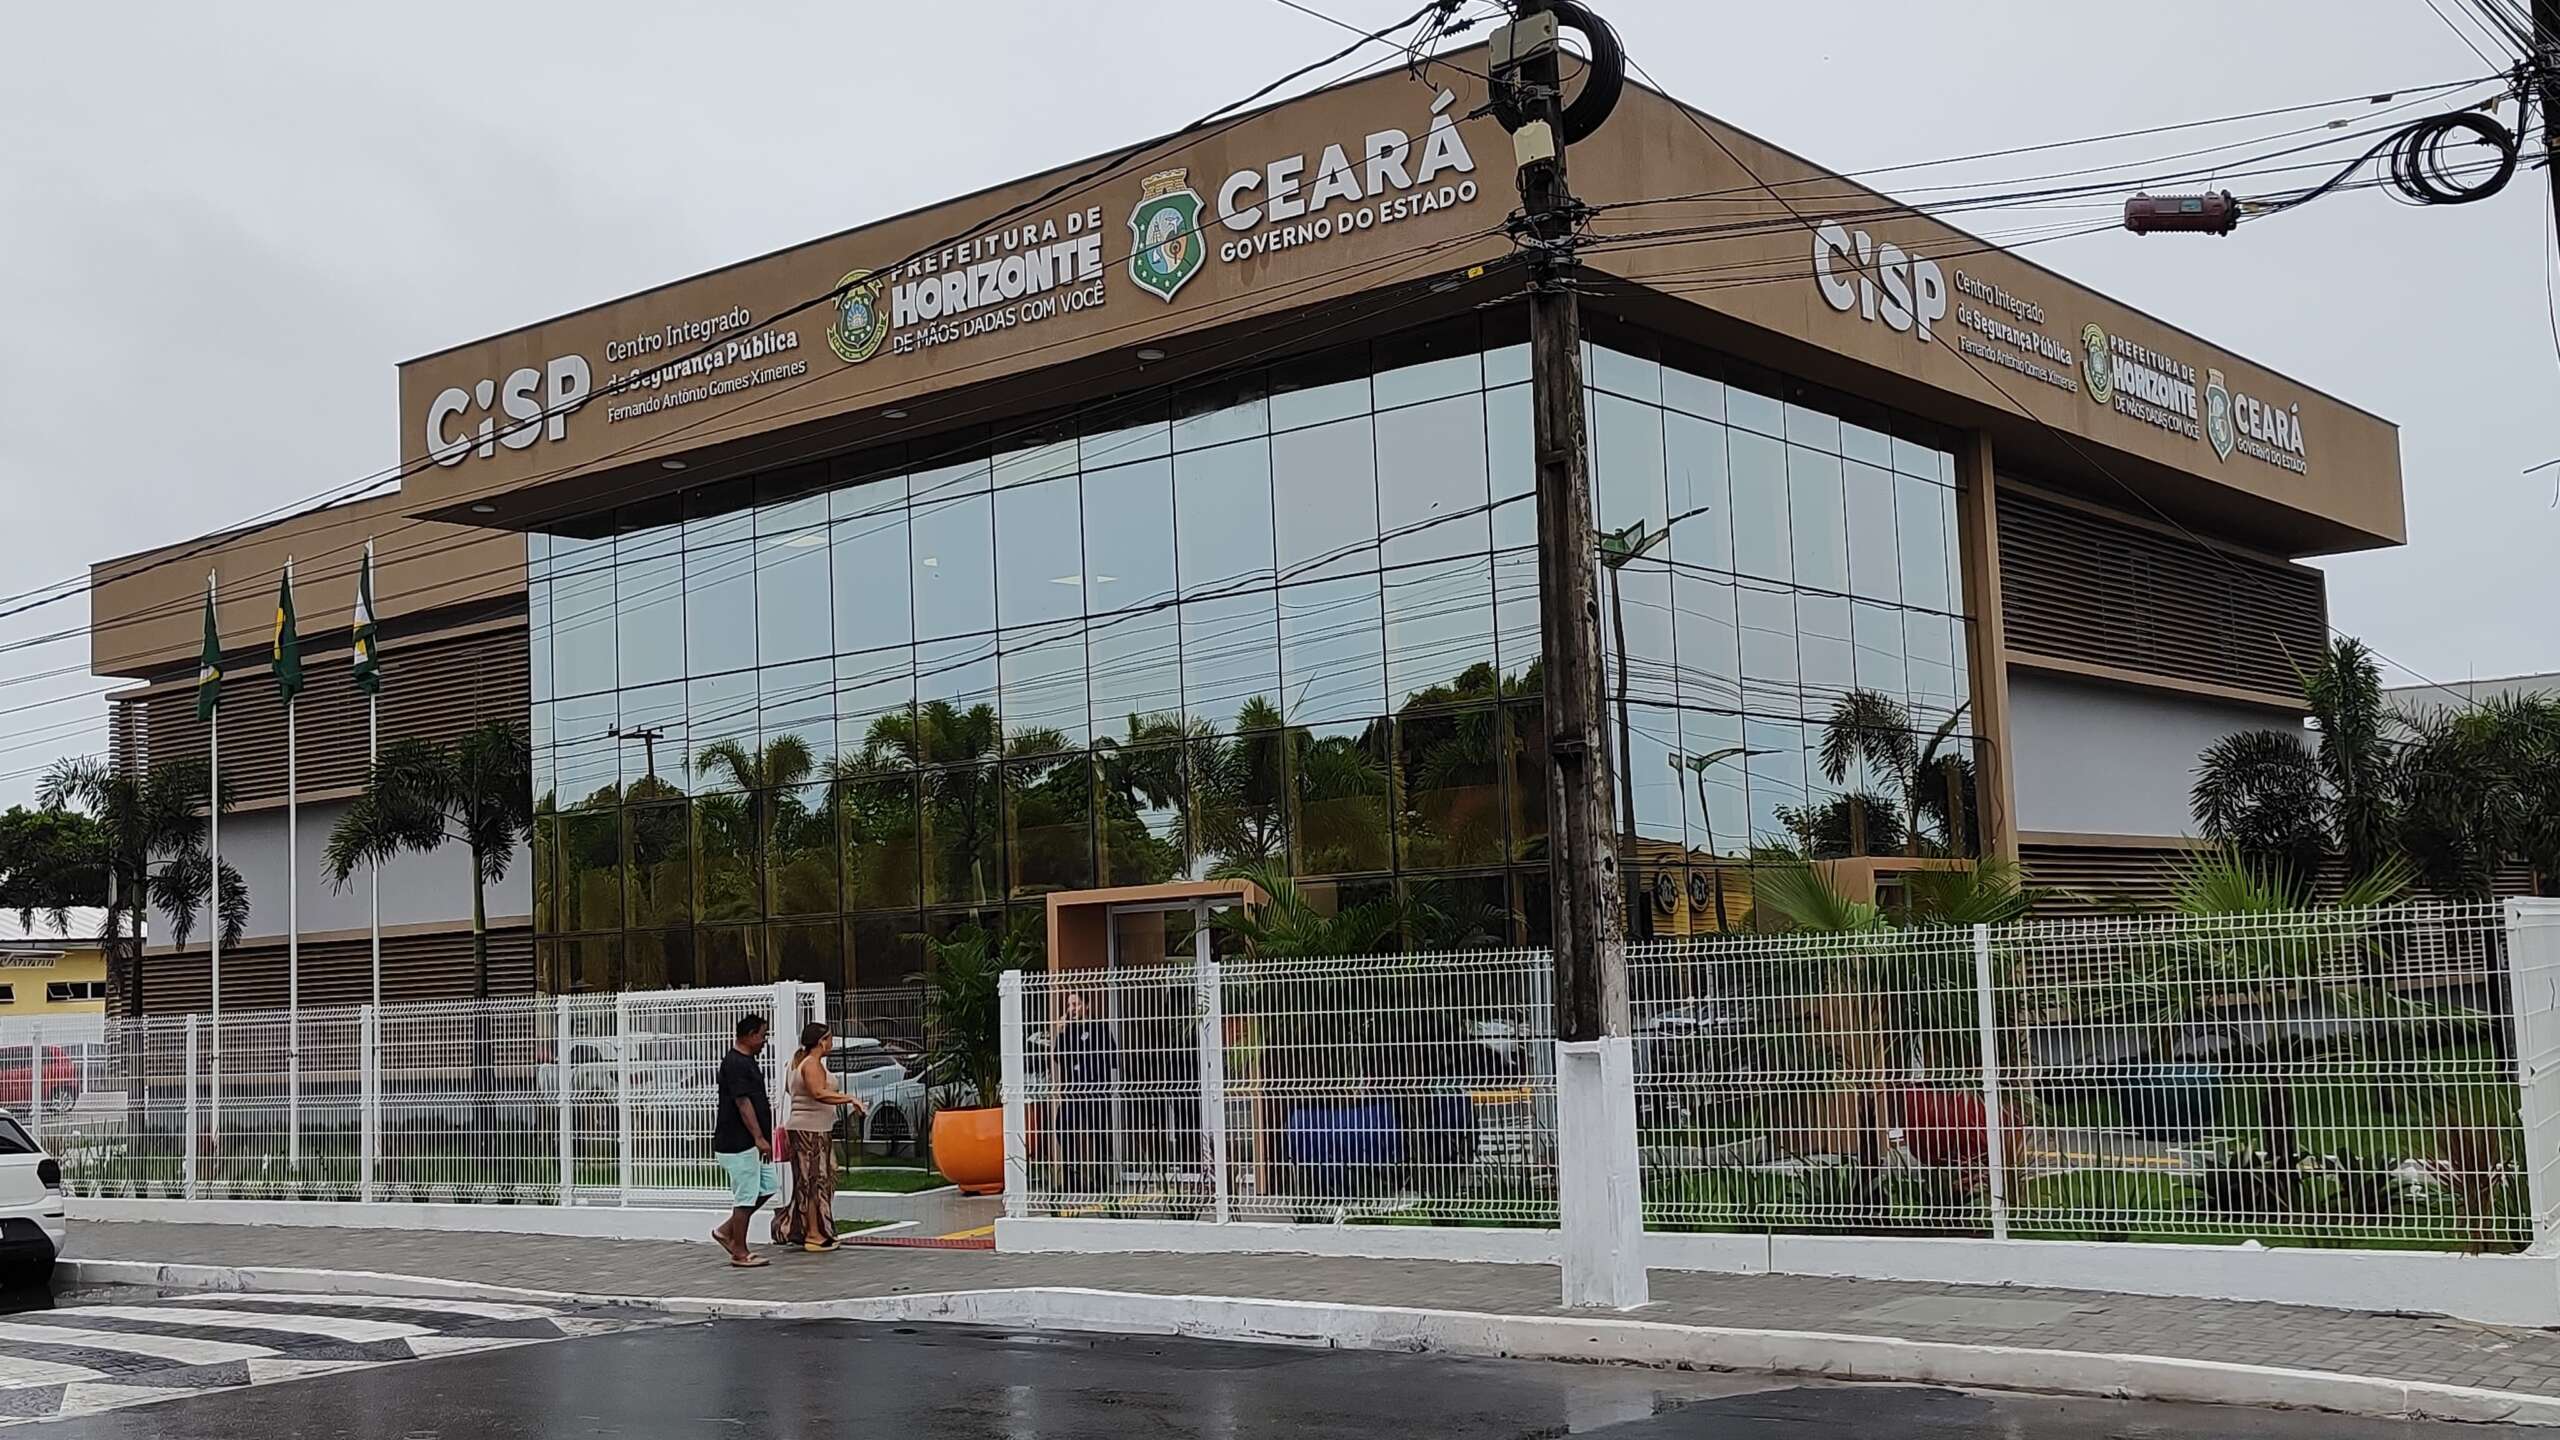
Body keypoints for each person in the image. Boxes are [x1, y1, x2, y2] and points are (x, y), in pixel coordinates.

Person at [772, 1021, 863, 1253]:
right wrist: (850, 1099)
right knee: (815, 1180)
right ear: (822, 1041)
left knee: (813, 1179)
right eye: (830, 1038)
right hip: (810, 1131)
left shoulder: (798, 1062)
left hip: (810, 1129)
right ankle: (813, 1233)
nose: (832, 1042)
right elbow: (818, 1093)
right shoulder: (811, 1063)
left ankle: (805, 1228)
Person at [710, 1012, 779, 1268]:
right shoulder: (735, 1063)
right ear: (750, 1036)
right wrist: (758, 1137)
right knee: (746, 1196)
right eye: (762, 1035)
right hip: (738, 1142)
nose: (765, 1041)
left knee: (768, 1187)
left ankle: (726, 1230)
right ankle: (739, 1251)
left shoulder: (748, 1061)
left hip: (752, 1142)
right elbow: (742, 1103)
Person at [1053, 991, 1116, 1192]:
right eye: (1069, 1005)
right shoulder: (1069, 1030)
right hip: (1074, 1089)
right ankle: (1072, 1178)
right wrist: (1061, 1034)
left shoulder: (1099, 1027)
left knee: (1098, 1131)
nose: (1072, 1009)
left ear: (1086, 1005)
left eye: (1076, 1004)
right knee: (1063, 1126)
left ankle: (1101, 1179)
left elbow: (1111, 1056)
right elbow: (1059, 1057)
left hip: (1096, 1088)